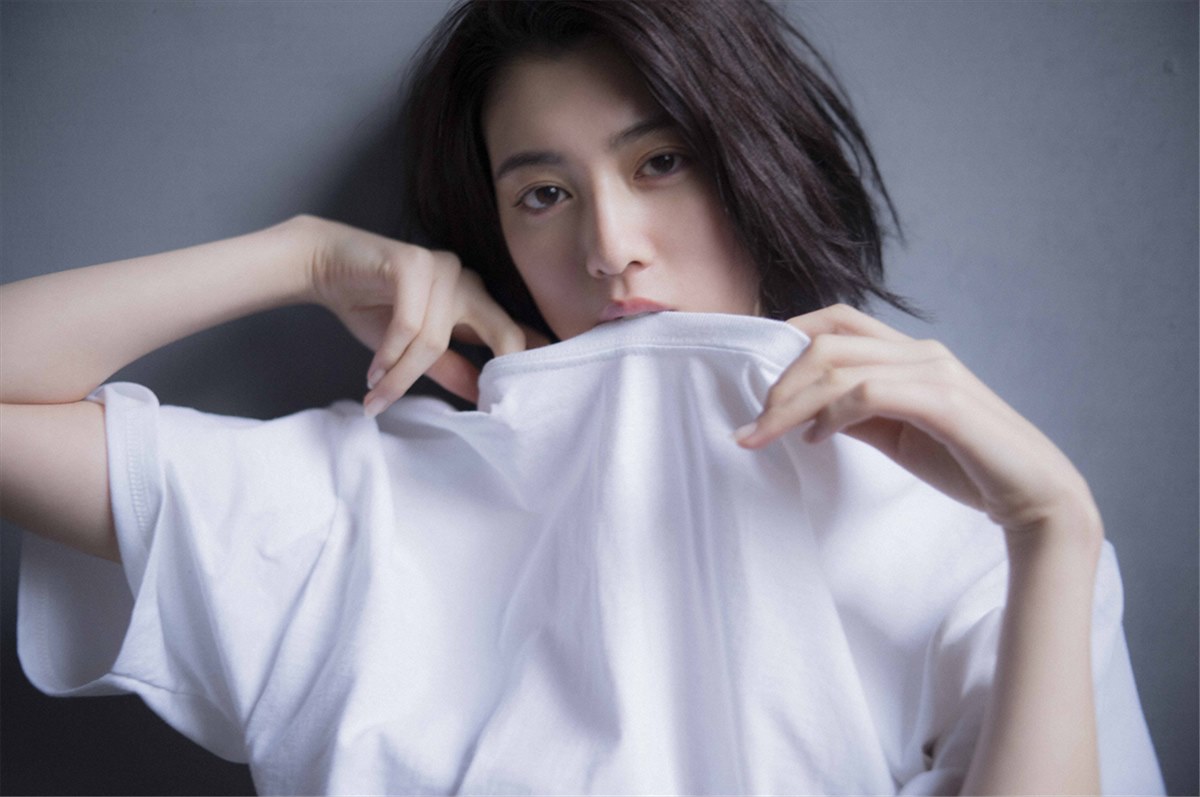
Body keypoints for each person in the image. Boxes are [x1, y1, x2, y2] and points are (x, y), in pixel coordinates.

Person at [0, 1, 1163, 794]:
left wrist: (1053, 525)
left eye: (661, 161)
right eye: (544, 194)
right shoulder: (365, 503)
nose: (611, 248)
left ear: (758, 160)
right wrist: (299, 258)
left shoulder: (980, 544)